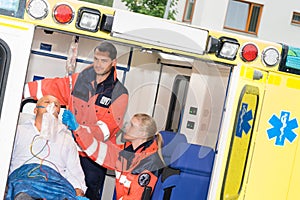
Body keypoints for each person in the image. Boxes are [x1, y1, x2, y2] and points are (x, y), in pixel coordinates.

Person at [23, 41, 129, 199]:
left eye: (104, 61)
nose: (98, 64)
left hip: (93, 158)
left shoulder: (120, 94)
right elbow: (53, 87)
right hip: (70, 150)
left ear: (114, 63)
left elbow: (105, 131)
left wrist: (77, 128)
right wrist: (19, 89)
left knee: (88, 194)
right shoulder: (79, 80)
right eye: (96, 59)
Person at [63, 112, 165, 200]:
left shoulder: (149, 162)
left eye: (132, 125)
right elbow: (98, 150)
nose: (126, 127)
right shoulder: (126, 152)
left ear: (142, 134)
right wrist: (78, 129)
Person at [6, 95, 87, 200]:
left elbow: (74, 170)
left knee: (65, 195)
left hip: (56, 183)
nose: (52, 105)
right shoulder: (18, 131)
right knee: (20, 189)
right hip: (24, 178)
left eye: (56, 104)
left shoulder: (66, 140)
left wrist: (78, 188)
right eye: (47, 102)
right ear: (35, 110)